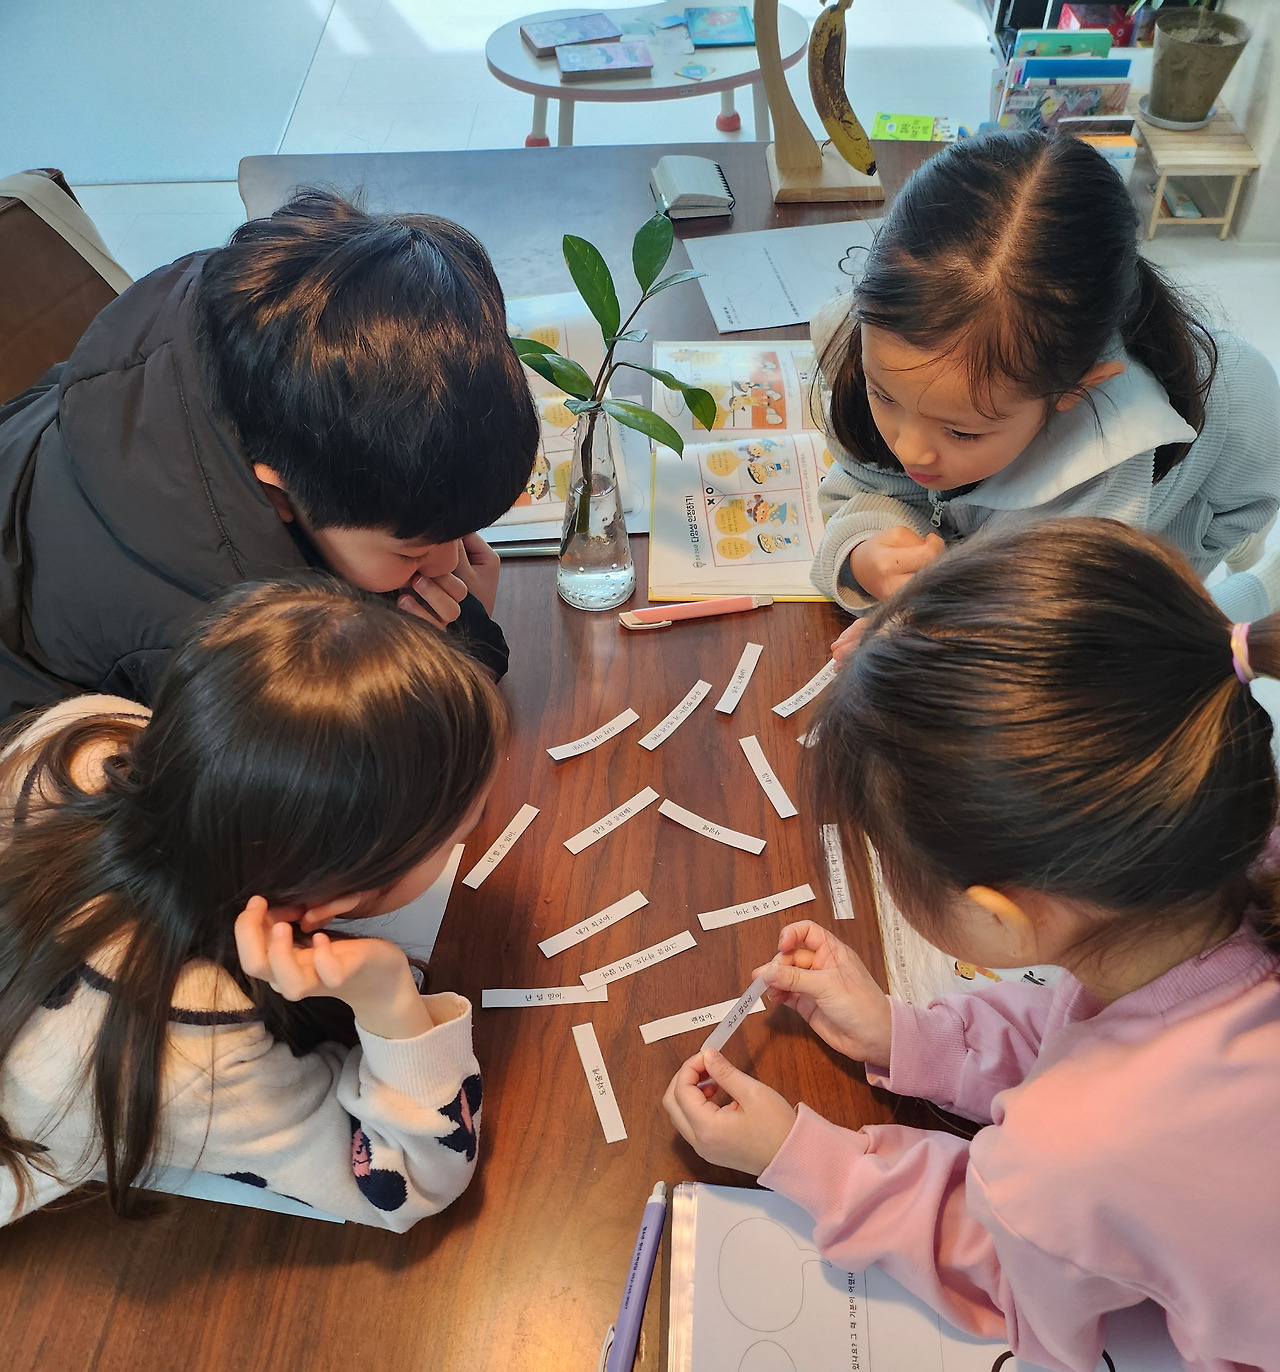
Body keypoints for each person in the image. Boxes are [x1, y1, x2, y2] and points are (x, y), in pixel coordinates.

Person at [665, 519, 1280, 1371]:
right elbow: (1107, 1039)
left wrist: (798, 1156)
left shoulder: (1072, 1155)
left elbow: (1014, 1268)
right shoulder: (1232, 857)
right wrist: (909, 1038)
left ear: (1001, 918)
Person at [0, 577, 503, 1229]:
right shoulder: (192, 1050)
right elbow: (407, 1183)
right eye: (457, 834)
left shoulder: (90, 735)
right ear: (334, 897)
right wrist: (388, 1000)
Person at [0, 188, 539, 717]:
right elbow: (334, 767)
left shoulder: (262, 302)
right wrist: (443, 660)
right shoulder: (221, 640)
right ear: (280, 493)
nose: (449, 561)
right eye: (411, 552)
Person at [809, 130, 1280, 643]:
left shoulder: (1103, 470)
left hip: (1219, 483)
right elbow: (863, 485)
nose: (909, 449)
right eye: (883, 396)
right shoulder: (894, 347)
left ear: (1074, 391)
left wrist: (920, 635)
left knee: (1174, 621)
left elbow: (1043, 626)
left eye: (961, 432)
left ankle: (1260, 581)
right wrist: (864, 552)